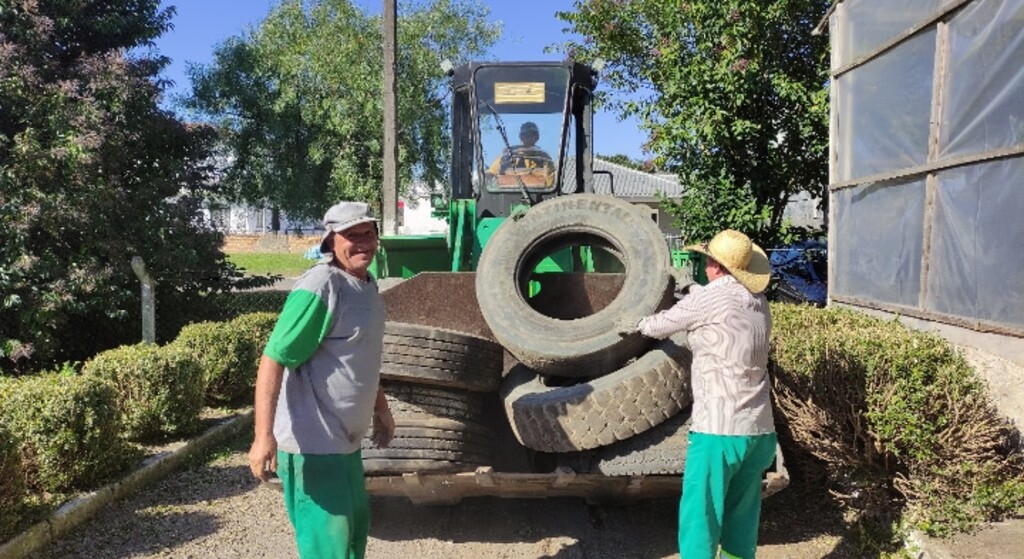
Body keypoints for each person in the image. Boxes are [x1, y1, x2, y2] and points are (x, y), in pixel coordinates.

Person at [248, 200, 396, 559]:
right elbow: (273, 359)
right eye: (351, 235)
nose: (362, 242)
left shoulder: (366, 285)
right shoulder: (320, 287)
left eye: (368, 233)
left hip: (345, 447)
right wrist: (263, 436)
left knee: (350, 545)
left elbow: (361, 358)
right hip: (314, 448)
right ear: (331, 241)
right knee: (326, 551)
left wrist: (382, 409)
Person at [624, 229, 776, 559]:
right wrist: (692, 291)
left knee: (700, 517)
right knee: (741, 519)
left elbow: (656, 326)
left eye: (707, 261)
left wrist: (629, 322)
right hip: (760, 432)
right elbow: (718, 306)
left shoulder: (708, 299)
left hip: (719, 433)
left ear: (715, 266)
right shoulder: (760, 303)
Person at [486, 121, 555, 186]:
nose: (529, 137)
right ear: (521, 136)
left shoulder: (544, 159)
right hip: (506, 195)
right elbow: (490, 174)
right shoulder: (507, 157)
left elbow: (551, 183)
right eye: (526, 135)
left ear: (537, 137)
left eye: (532, 134)